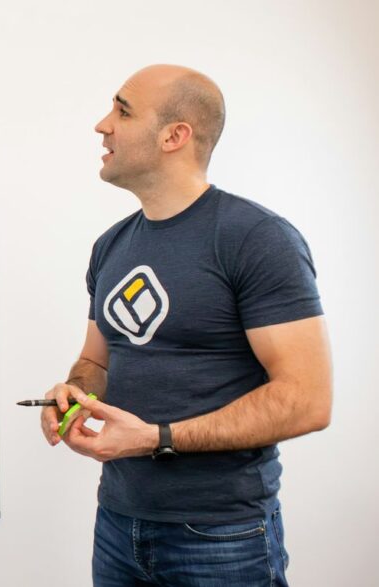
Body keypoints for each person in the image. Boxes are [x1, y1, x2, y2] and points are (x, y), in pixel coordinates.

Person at [39, 65, 332, 585]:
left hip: (221, 536)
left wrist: (157, 438)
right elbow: (95, 360)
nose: (101, 125)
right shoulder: (111, 245)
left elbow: (307, 400)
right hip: (119, 522)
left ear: (175, 136)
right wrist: (74, 394)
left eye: (122, 111)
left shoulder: (256, 239)